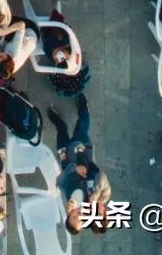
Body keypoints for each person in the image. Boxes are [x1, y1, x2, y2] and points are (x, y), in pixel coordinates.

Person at [48, 97, 112, 234]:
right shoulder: (104, 196)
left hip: (67, 157)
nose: (79, 214)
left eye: (75, 216)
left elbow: (60, 181)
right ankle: (83, 106)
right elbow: (102, 177)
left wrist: (71, 199)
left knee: (61, 133)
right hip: (82, 152)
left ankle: (60, 123)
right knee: (82, 126)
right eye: (101, 213)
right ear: (105, 212)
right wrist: (95, 197)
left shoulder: (76, 203)